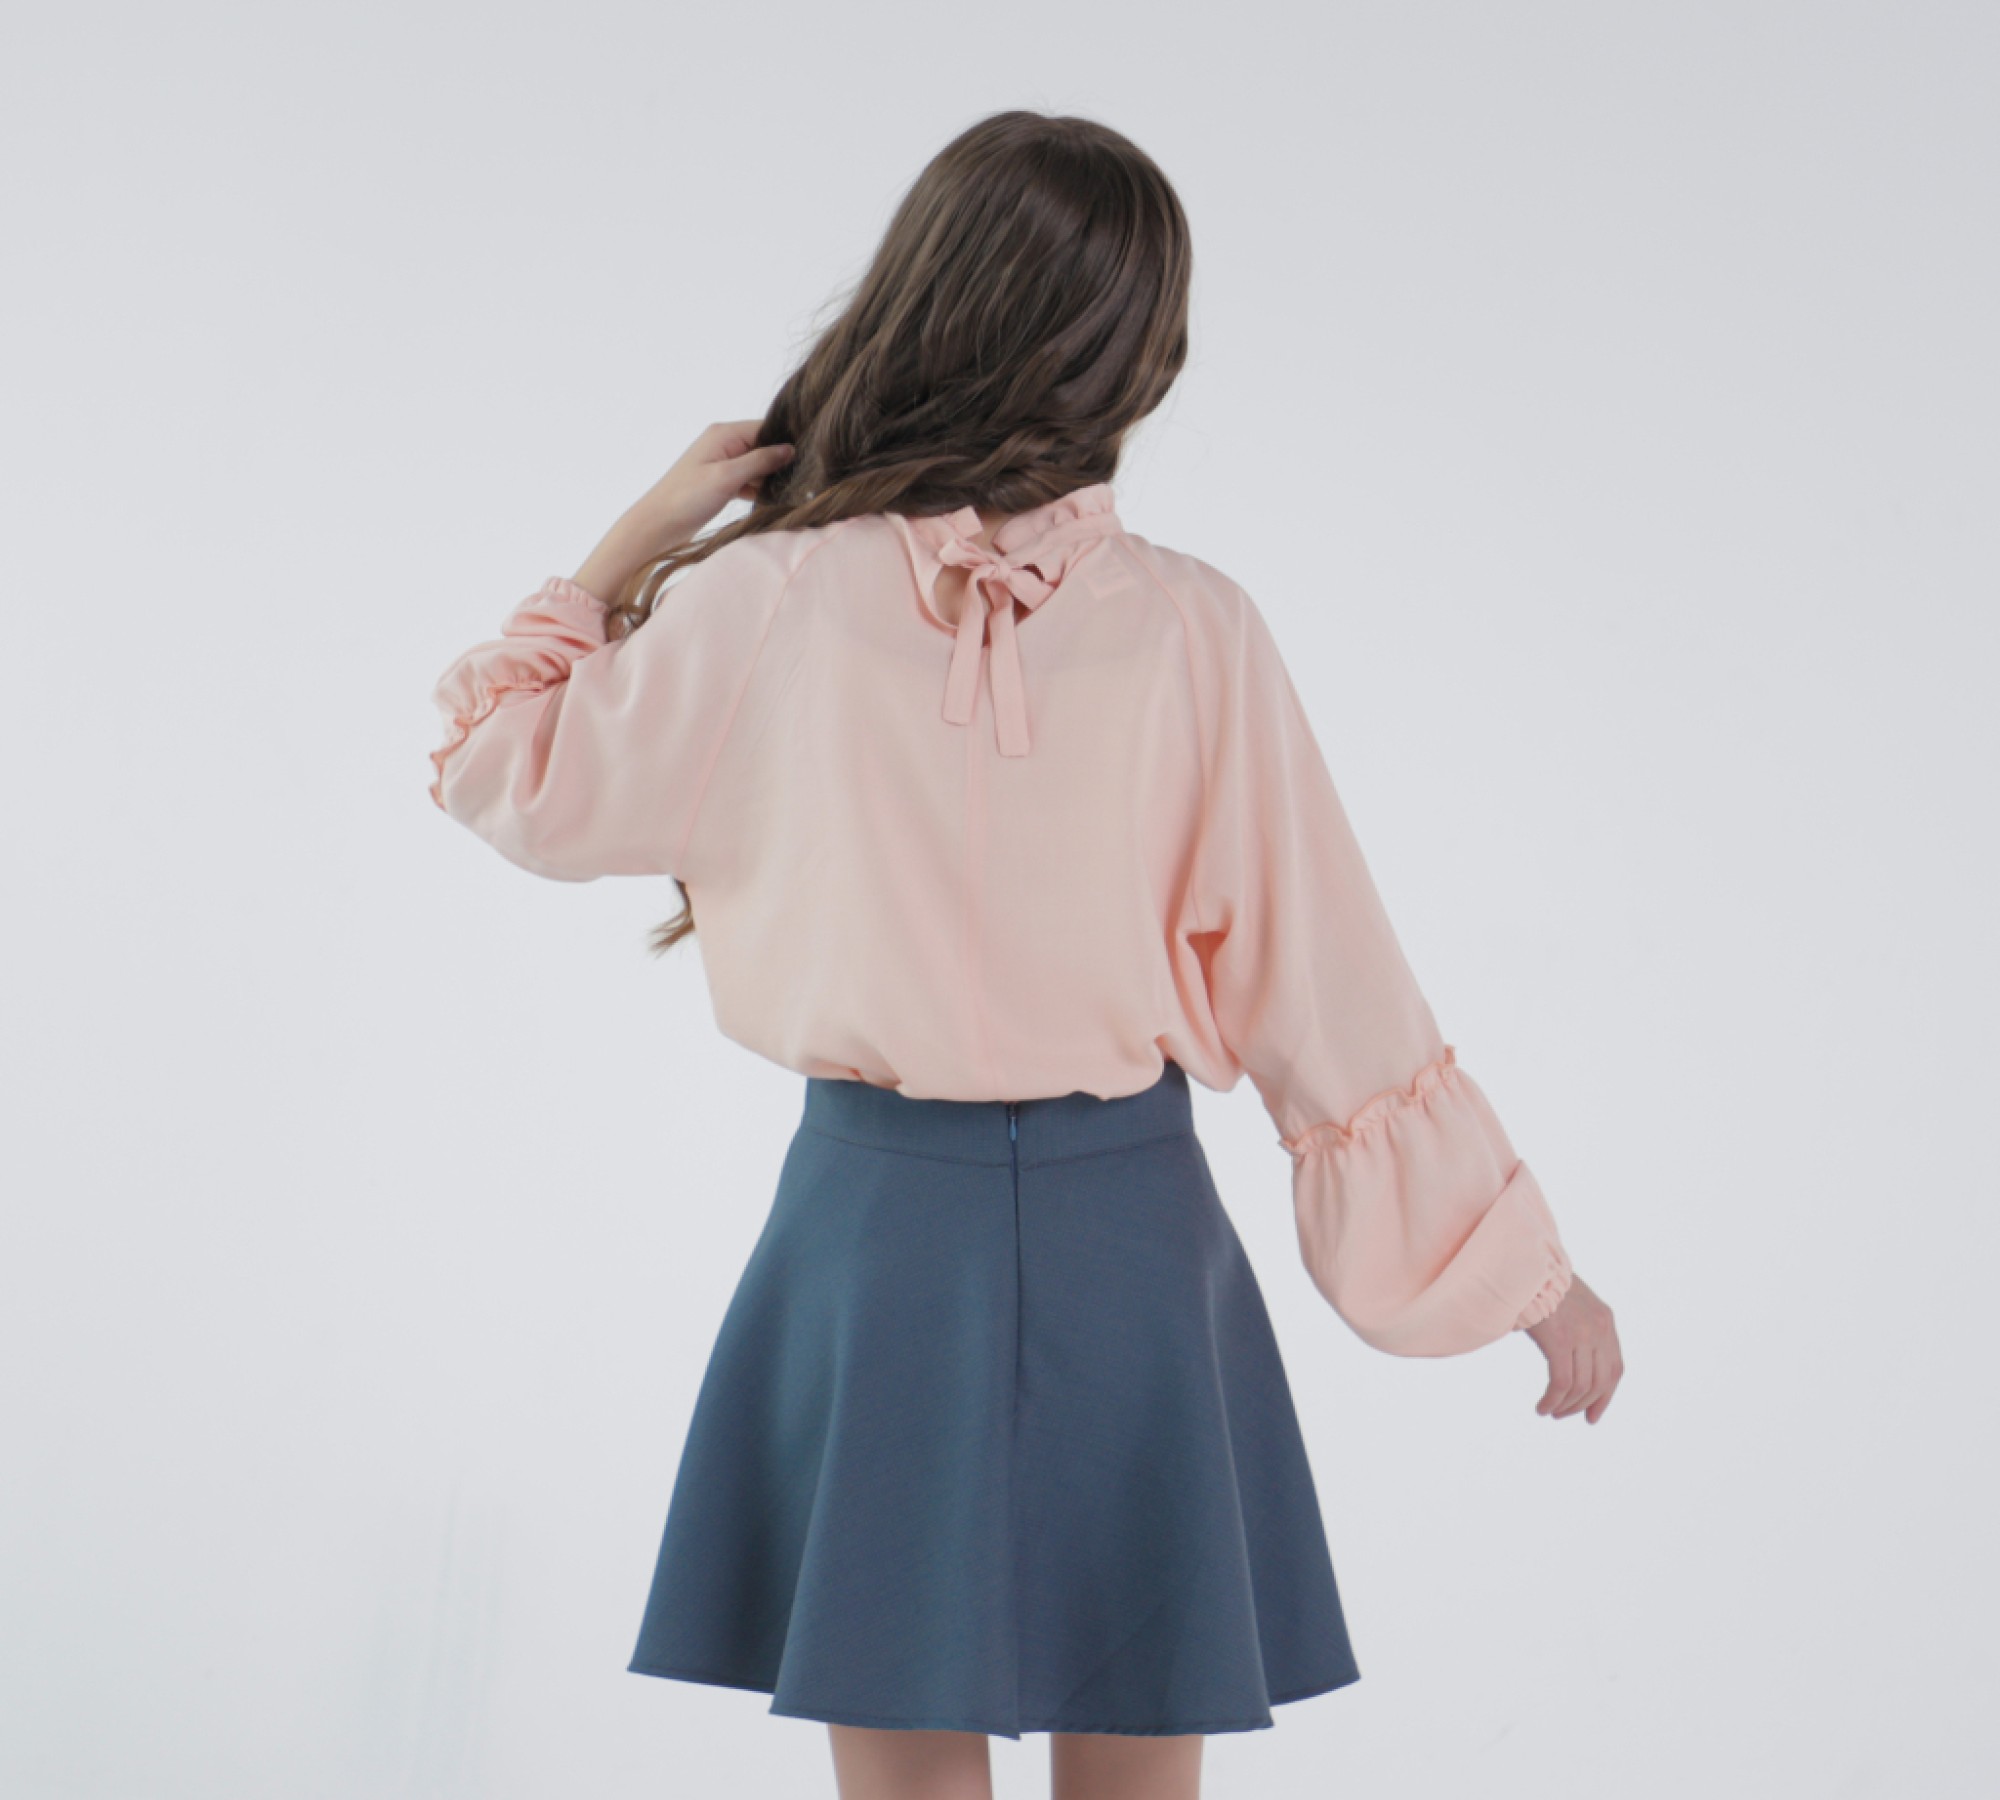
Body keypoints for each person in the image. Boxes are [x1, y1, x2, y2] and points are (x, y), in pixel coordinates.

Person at [426, 108, 1622, 1800]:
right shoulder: (1181, 625)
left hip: (884, 1239)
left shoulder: (778, 598)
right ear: (1135, 352)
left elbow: (504, 769)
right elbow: (1324, 975)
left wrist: (633, 540)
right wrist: (1519, 1271)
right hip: (1118, 1235)